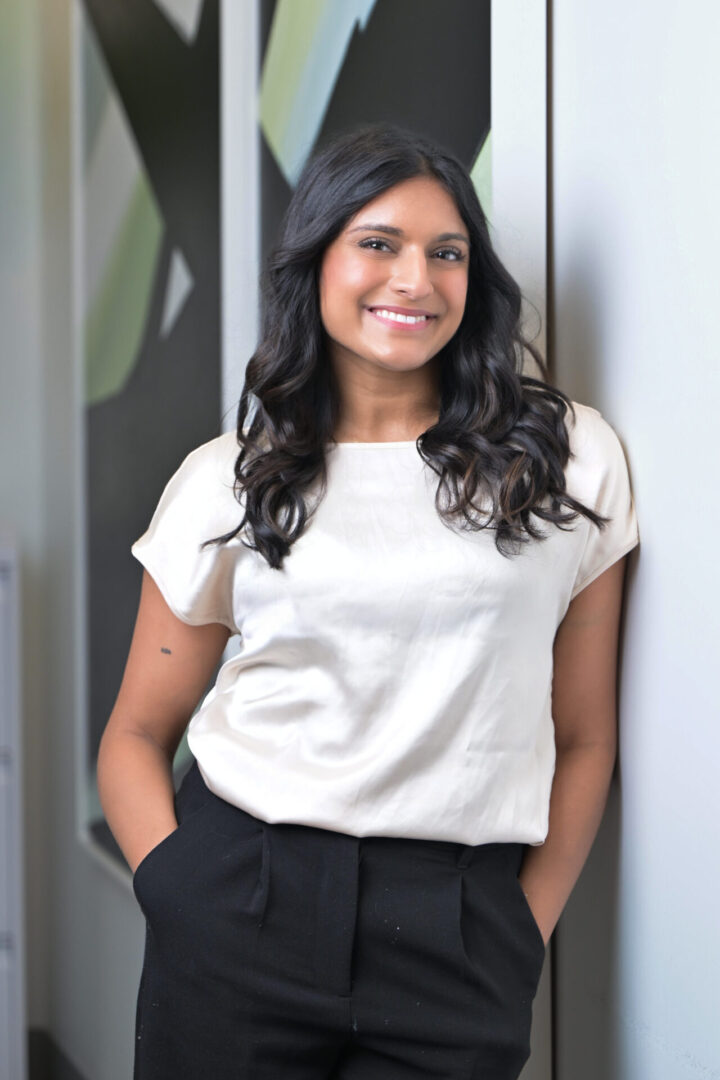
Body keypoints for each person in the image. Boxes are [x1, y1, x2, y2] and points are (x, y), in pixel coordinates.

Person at [98, 122, 640, 1080]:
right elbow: (138, 733)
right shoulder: (228, 481)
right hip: (238, 904)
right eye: (378, 244)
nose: (415, 280)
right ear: (317, 262)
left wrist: (522, 928)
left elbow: (587, 735)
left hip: (458, 931)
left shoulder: (568, 463)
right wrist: (175, 892)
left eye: (448, 253)